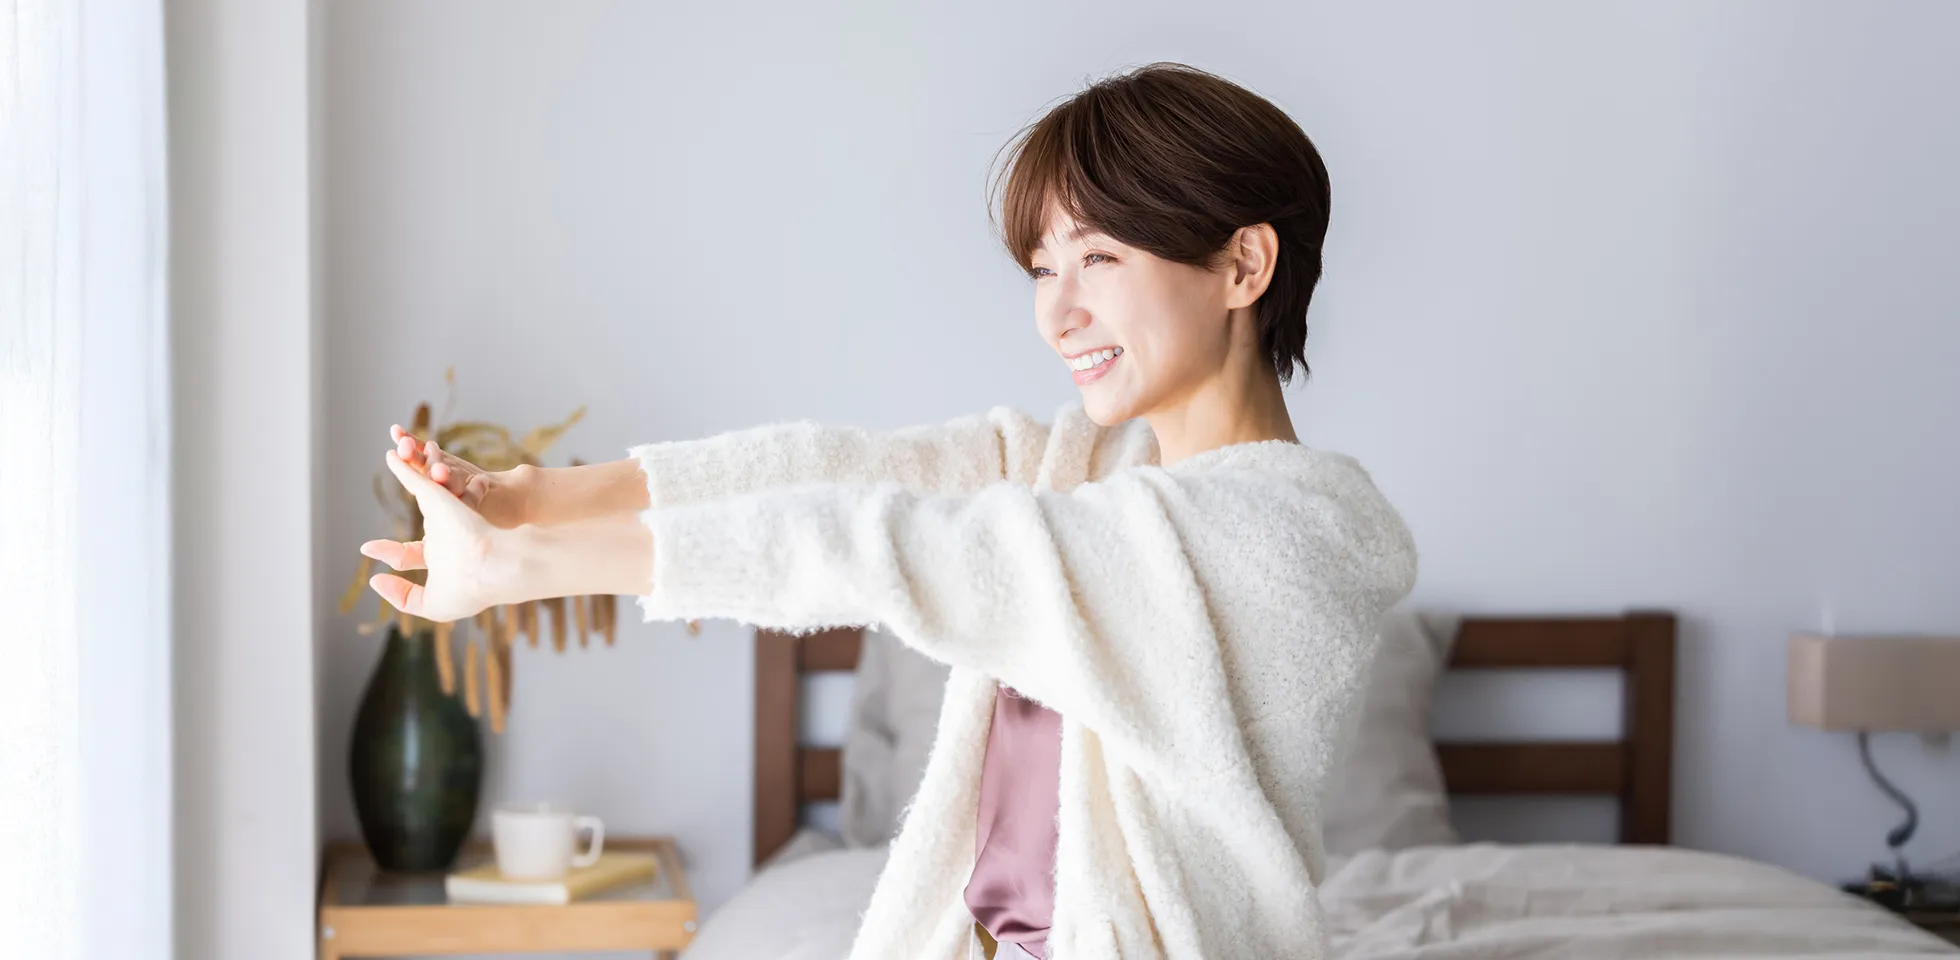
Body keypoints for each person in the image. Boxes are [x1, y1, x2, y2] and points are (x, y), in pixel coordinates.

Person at [362, 61, 1416, 960]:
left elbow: (885, 547)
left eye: (1100, 256)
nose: (1057, 311)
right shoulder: (1090, 464)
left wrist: (523, 569)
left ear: (1243, 264)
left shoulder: (1288, 533)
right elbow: (846, 470)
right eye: (1043, 268)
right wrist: (538, 499)